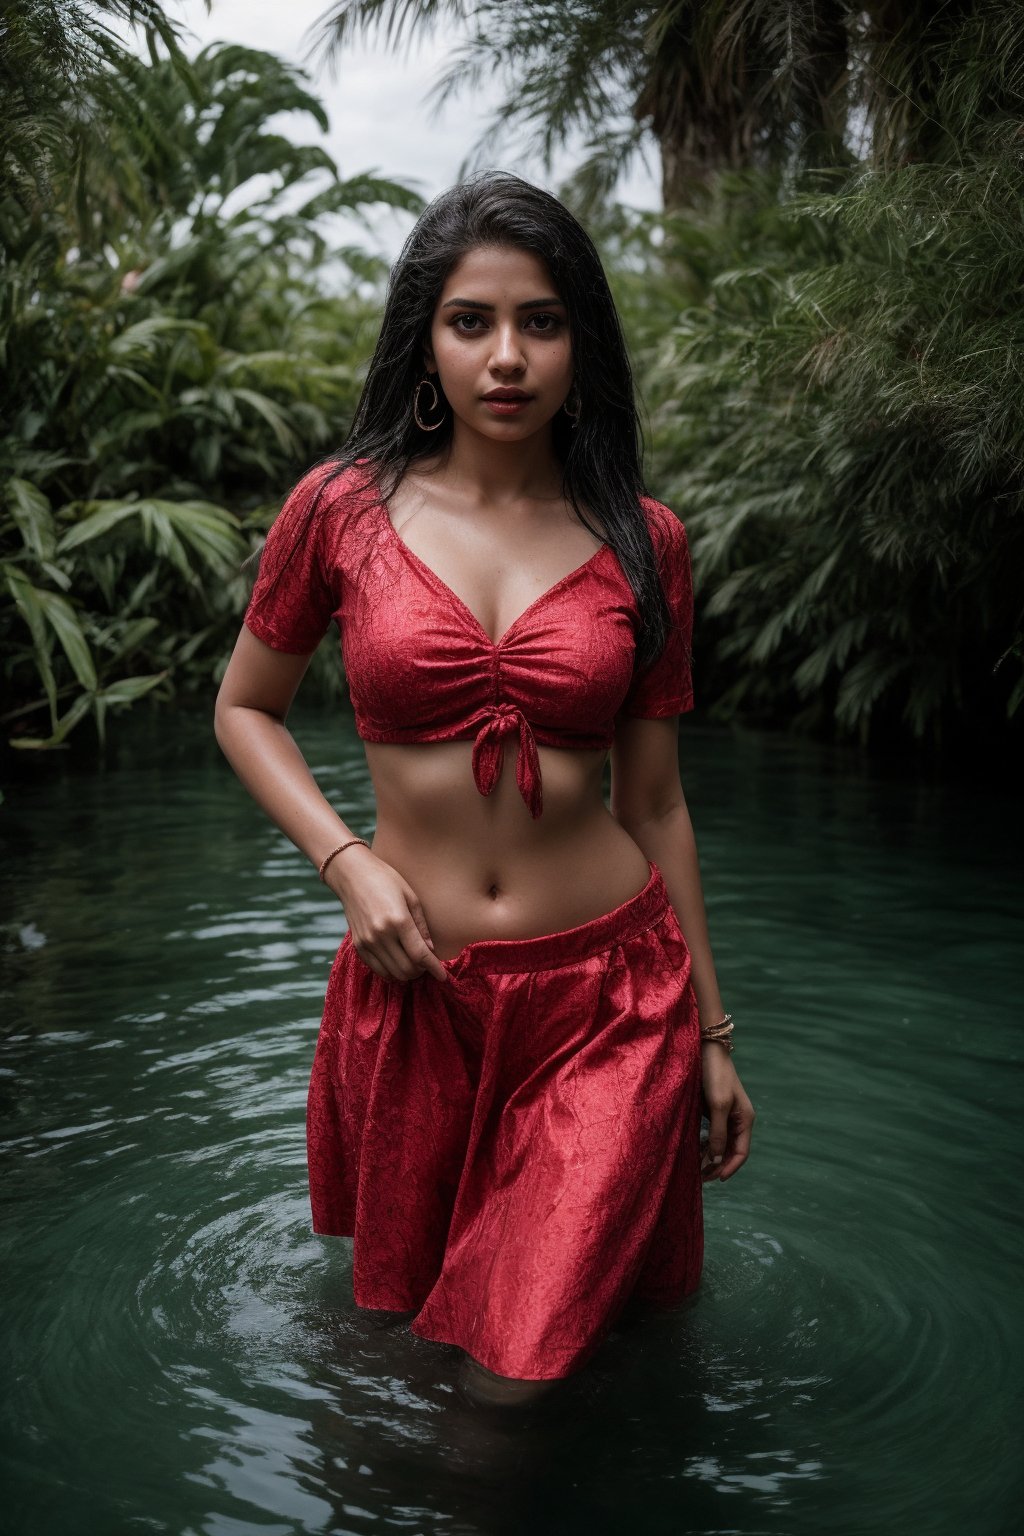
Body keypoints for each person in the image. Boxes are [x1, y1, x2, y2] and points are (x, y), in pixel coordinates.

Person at [214, 170, 755, 1414]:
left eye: (541, 321)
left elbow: (658, 802)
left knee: (510, 1377)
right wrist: (347, 865)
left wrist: (714, 1039)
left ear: (582, 344)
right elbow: (243, 708)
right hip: (415, 991)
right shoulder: (339, 511)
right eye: (471, 321)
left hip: (611, 995)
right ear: (426, 339)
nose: (506, 357)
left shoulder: (642, 537)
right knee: (413, 1351)